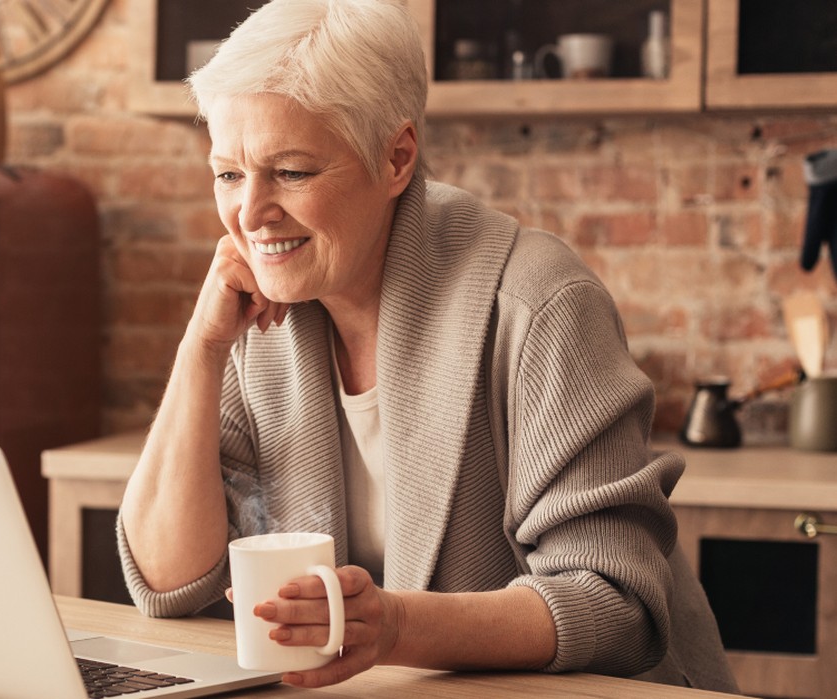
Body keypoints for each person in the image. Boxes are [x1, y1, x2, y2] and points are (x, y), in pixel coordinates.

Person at [116, 0, 738, 693]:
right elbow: (167, 583)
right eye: (229, 173)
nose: (250, 213)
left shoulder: (539, 303)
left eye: (290, 172)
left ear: (396, 158)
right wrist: (202, 348)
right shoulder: (263, 309)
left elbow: (615, 604)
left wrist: (396, 628)